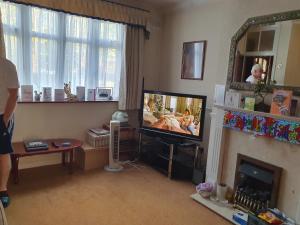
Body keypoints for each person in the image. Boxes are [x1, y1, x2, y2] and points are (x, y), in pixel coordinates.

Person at [0, 57, 19, 208]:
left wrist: (5, 120)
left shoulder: (7, 66)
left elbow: (14, 95)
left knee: (3, 153)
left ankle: (3, 190)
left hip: (2, 116)